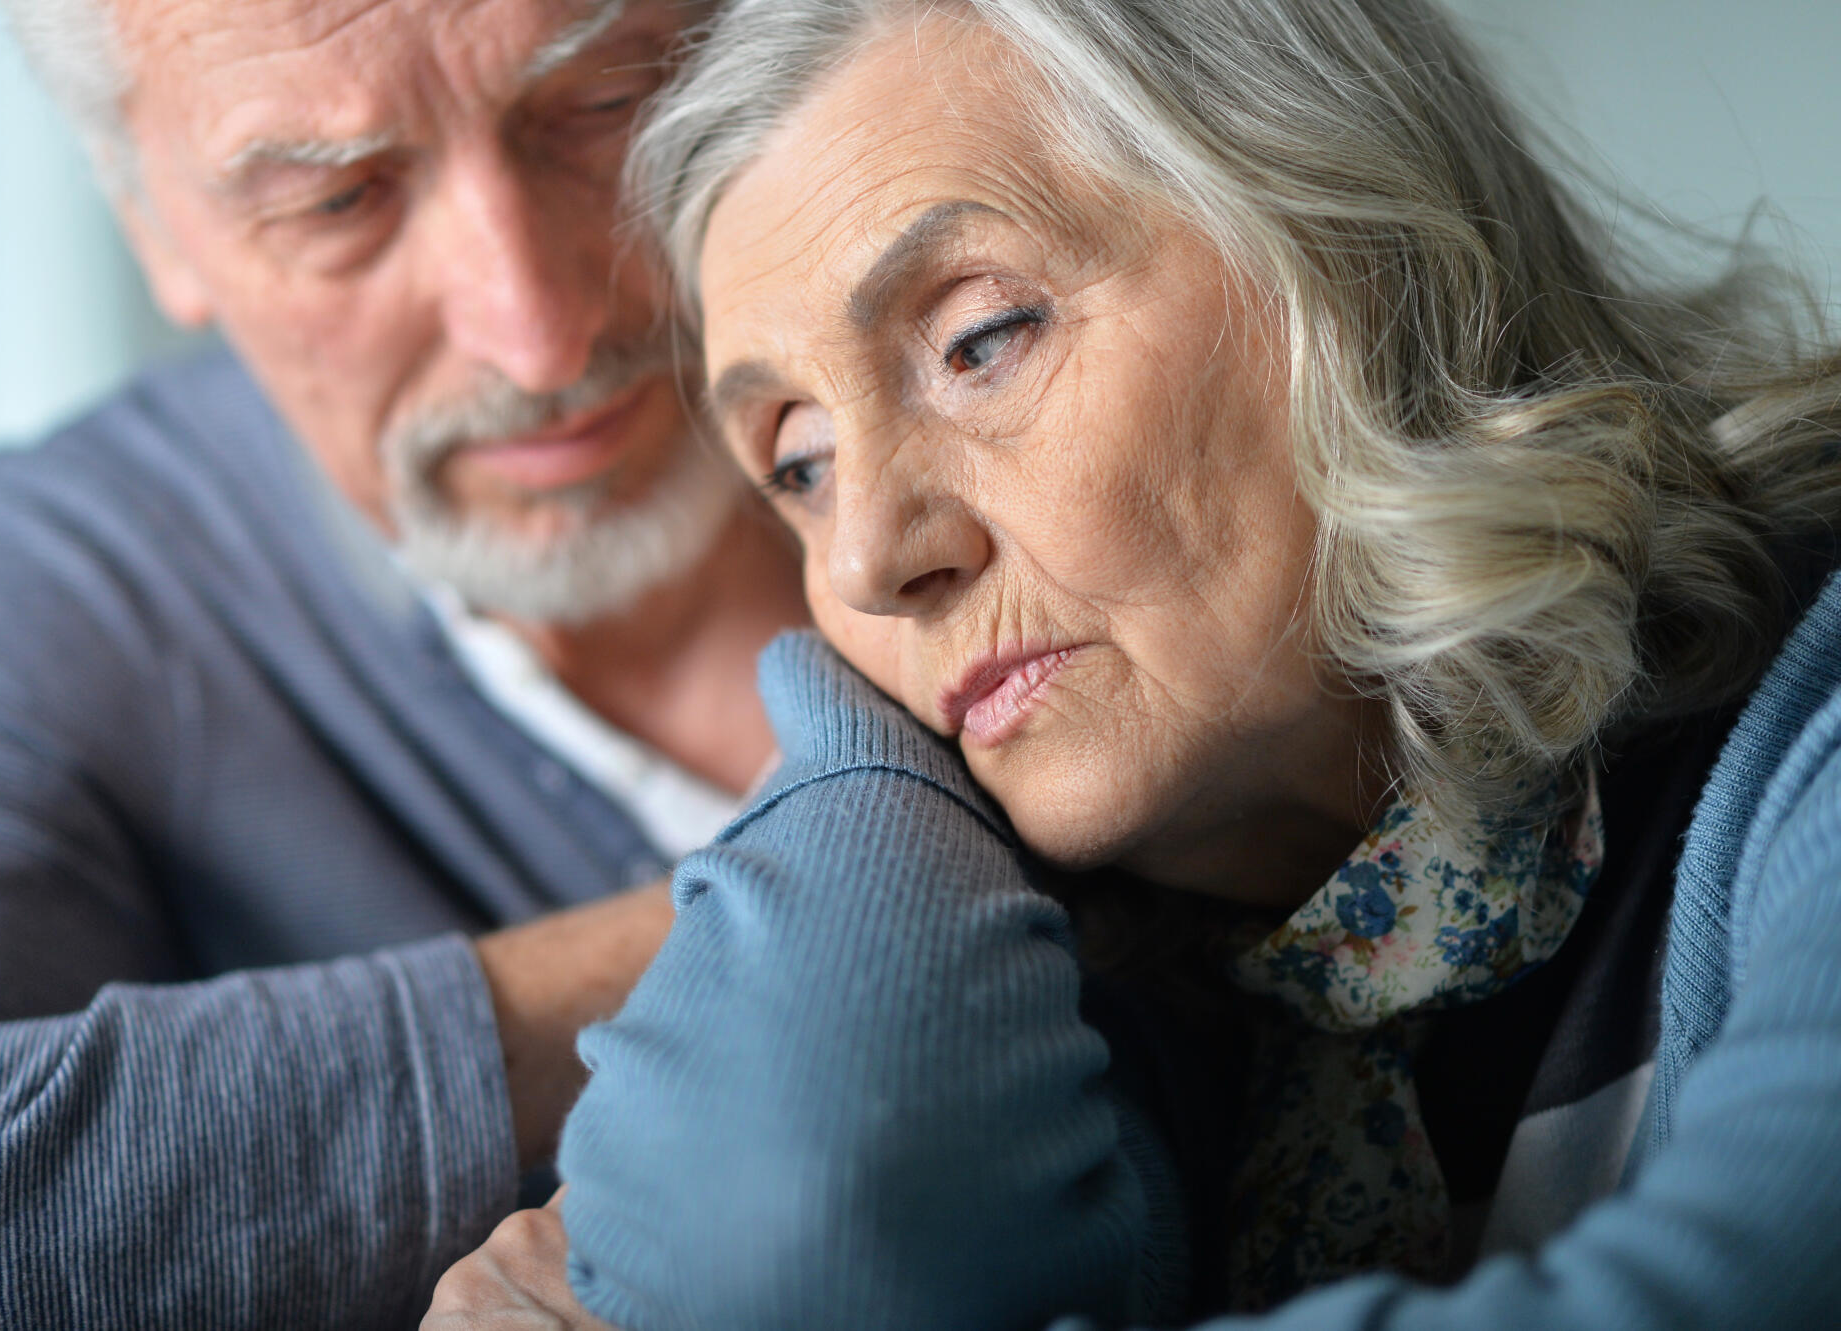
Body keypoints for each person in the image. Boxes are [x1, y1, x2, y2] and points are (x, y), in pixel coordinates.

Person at [422, 0, 1841, 1327]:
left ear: (1352, 251)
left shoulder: (1806, 732)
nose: (865, 559)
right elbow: (793, 1233)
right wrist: (861, 764)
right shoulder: (1082, 1020)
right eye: (798, 462)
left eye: (982, 338)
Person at [0, 0, 807, 1326]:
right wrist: (819, 916)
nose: (537, 333)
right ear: (155, 228)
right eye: (338, 200)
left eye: (604, 105)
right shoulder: (85, 576)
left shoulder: (987, 372)